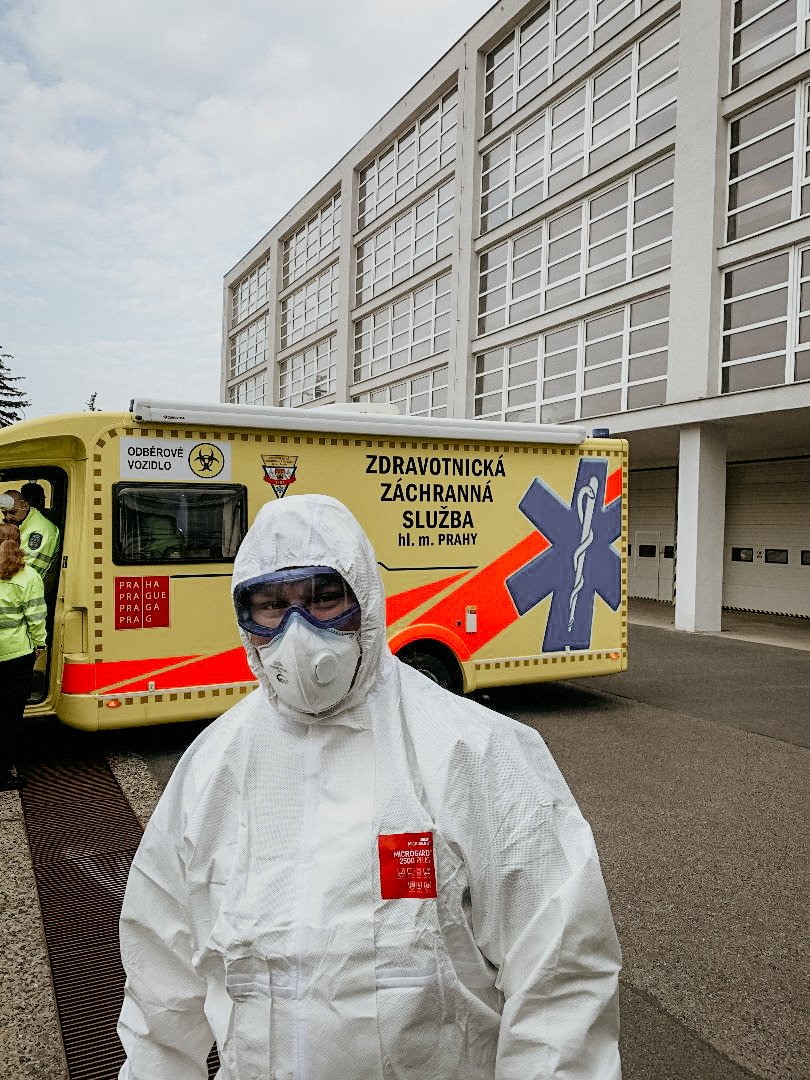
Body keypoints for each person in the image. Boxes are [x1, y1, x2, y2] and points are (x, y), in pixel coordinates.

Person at [117, 494, 622, 1079]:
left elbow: (560, 979)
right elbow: (160, 989)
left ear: (366, 597)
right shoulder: (212, 770)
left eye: (325, 598)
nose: (299, 633)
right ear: (244, 616)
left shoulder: (476, 752)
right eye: (271, 605)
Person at [0, 523, 47, 791]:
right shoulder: (28, 576)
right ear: (19, 542)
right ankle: (3, 773)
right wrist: (40, 644)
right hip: (16, 655)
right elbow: (36, 618)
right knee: (9, 717)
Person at [1, 488, 60, 583]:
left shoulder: (41, 531)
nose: (7, 517)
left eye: (12, 512)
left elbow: (25, 575)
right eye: (4, 513)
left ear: (25, 506)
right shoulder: (17, 521)